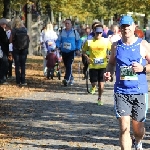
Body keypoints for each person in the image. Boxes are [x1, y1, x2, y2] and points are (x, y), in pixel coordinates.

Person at [104, 15, 150, 150]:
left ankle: (138, 142)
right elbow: (111, 64)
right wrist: (109, 72)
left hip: (139, 91)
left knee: (138, 130)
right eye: (123, 26)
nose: (126, 29)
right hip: (121, 91)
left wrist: (143, 68)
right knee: (124, 128)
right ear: (120, 28)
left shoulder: (143, 44)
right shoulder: (116, 46)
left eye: (128, 26)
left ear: (134, 26)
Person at [82, 25, 111, 105]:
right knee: (94, 83)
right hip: (93, 66)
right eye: (97, 32)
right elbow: (83, 51)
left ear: (102, 33)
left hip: (103, 66)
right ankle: (93, 87)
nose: (98, 34)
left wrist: (109, 56)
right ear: (94, 32)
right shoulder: (89, 42)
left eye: (100, 33)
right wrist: (87, 58)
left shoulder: (106, 41)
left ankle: (100, 98)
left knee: (101, 84)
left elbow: (113, 50)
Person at [56, 19, 81, 86]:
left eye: (68, 23)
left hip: (71, 51)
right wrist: (57, 46)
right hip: (64, 51)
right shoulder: (62, 32)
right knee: (66, 66)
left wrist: (78, 49)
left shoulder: (74, 32)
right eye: (66, 23)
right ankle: (71, 78)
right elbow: (58, 40)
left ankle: (66, 79)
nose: (67, 25)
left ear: (71, 24)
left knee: (69, 64)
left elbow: (78, 41)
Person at [10, 18, 29, 85]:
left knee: (17, 64)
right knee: (23, 64)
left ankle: (18, 81)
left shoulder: (13, 30)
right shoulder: (25, 29)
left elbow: (10, 40)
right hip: (24, 48)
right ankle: (23, 80)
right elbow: (28, 39)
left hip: (16, 48)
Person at [0, 18, 9, 84]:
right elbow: (5, 40)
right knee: (4, 63)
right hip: (2, 49)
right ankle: (2, 78)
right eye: (5, 24)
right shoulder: (1, 31)